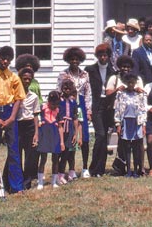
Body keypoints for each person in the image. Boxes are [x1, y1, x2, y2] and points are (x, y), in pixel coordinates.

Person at [0, 45, 25, 194]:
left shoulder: (14, 77)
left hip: (9, 111)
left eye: (8, 59)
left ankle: (16, 186)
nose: (5, 61)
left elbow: (18, 99)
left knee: (14, 150)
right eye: (2, 58)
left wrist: (12, 118)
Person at [57, 46, 93, 178]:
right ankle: (68, 169)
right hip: (68, 105)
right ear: (68, 60)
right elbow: (58, 91)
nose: (74, 61)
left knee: (84, 137)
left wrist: (88, 110)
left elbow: (88, 93)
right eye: (72, 59)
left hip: (81, 105)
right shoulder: (63, 74)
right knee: (70, 136)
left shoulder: (85, 74)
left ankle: (84, 168)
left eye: (77, 59)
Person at [86, 43, 116, 177]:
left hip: (108, 106)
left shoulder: (113, 71)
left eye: (105, 55)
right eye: (100, 55)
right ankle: (93, 168)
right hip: (96, 105)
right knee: (100, 135)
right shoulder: (90, 70)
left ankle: (101, 169)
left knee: (105, 139)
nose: (103, 57)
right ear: (97, 56)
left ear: (109, 56)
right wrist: (88, 108)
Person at [114, 73, 147, 178]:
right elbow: (118, 110)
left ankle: (137, 170)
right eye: (129, 82)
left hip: (137, 122)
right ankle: (128, 170)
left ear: (135, 83)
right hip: (126, 122)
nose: (131, 84)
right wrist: (118, 124)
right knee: (127, 146)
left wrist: (143, 125)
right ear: (126, 83)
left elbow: (143, 110)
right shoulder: (121, 94)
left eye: (133, 82)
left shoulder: (140, 94)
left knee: (137, 147)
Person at [13, 65, 40, 190]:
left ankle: (27, 181)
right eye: (24, 79)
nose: (27, 81)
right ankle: (14, 181)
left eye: (29, 79)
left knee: (30, 155)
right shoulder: (14, 95)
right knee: (16, 154)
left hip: (29, 125)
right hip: (18, 125)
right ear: (20, 79)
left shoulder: (33, 96)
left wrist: (36, 133)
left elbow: (35, 115)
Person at [37, 91, 65, 189]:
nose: (54, 106)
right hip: (44, 134)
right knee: (43, 158)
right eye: (52, 104)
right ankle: (40, 181)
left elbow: (60, 127)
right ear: (48, 101)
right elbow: (37, 121)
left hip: (55, 135)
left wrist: (62, 142)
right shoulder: (42, 109)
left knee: (55, 159)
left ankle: (54, 181)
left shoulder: (59, 110)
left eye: (56, 104)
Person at [58, 80, 82, 183]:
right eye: (65, 88)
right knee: (61, 152)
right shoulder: (59, 101)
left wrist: (76, 133)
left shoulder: (73, 102)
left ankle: (68, 173)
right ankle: (59, 175)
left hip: (70, 128)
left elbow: (75, 118)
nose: (67, 90)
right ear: (62, 89)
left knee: (69, 152)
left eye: (69, 89)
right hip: (61, 128)